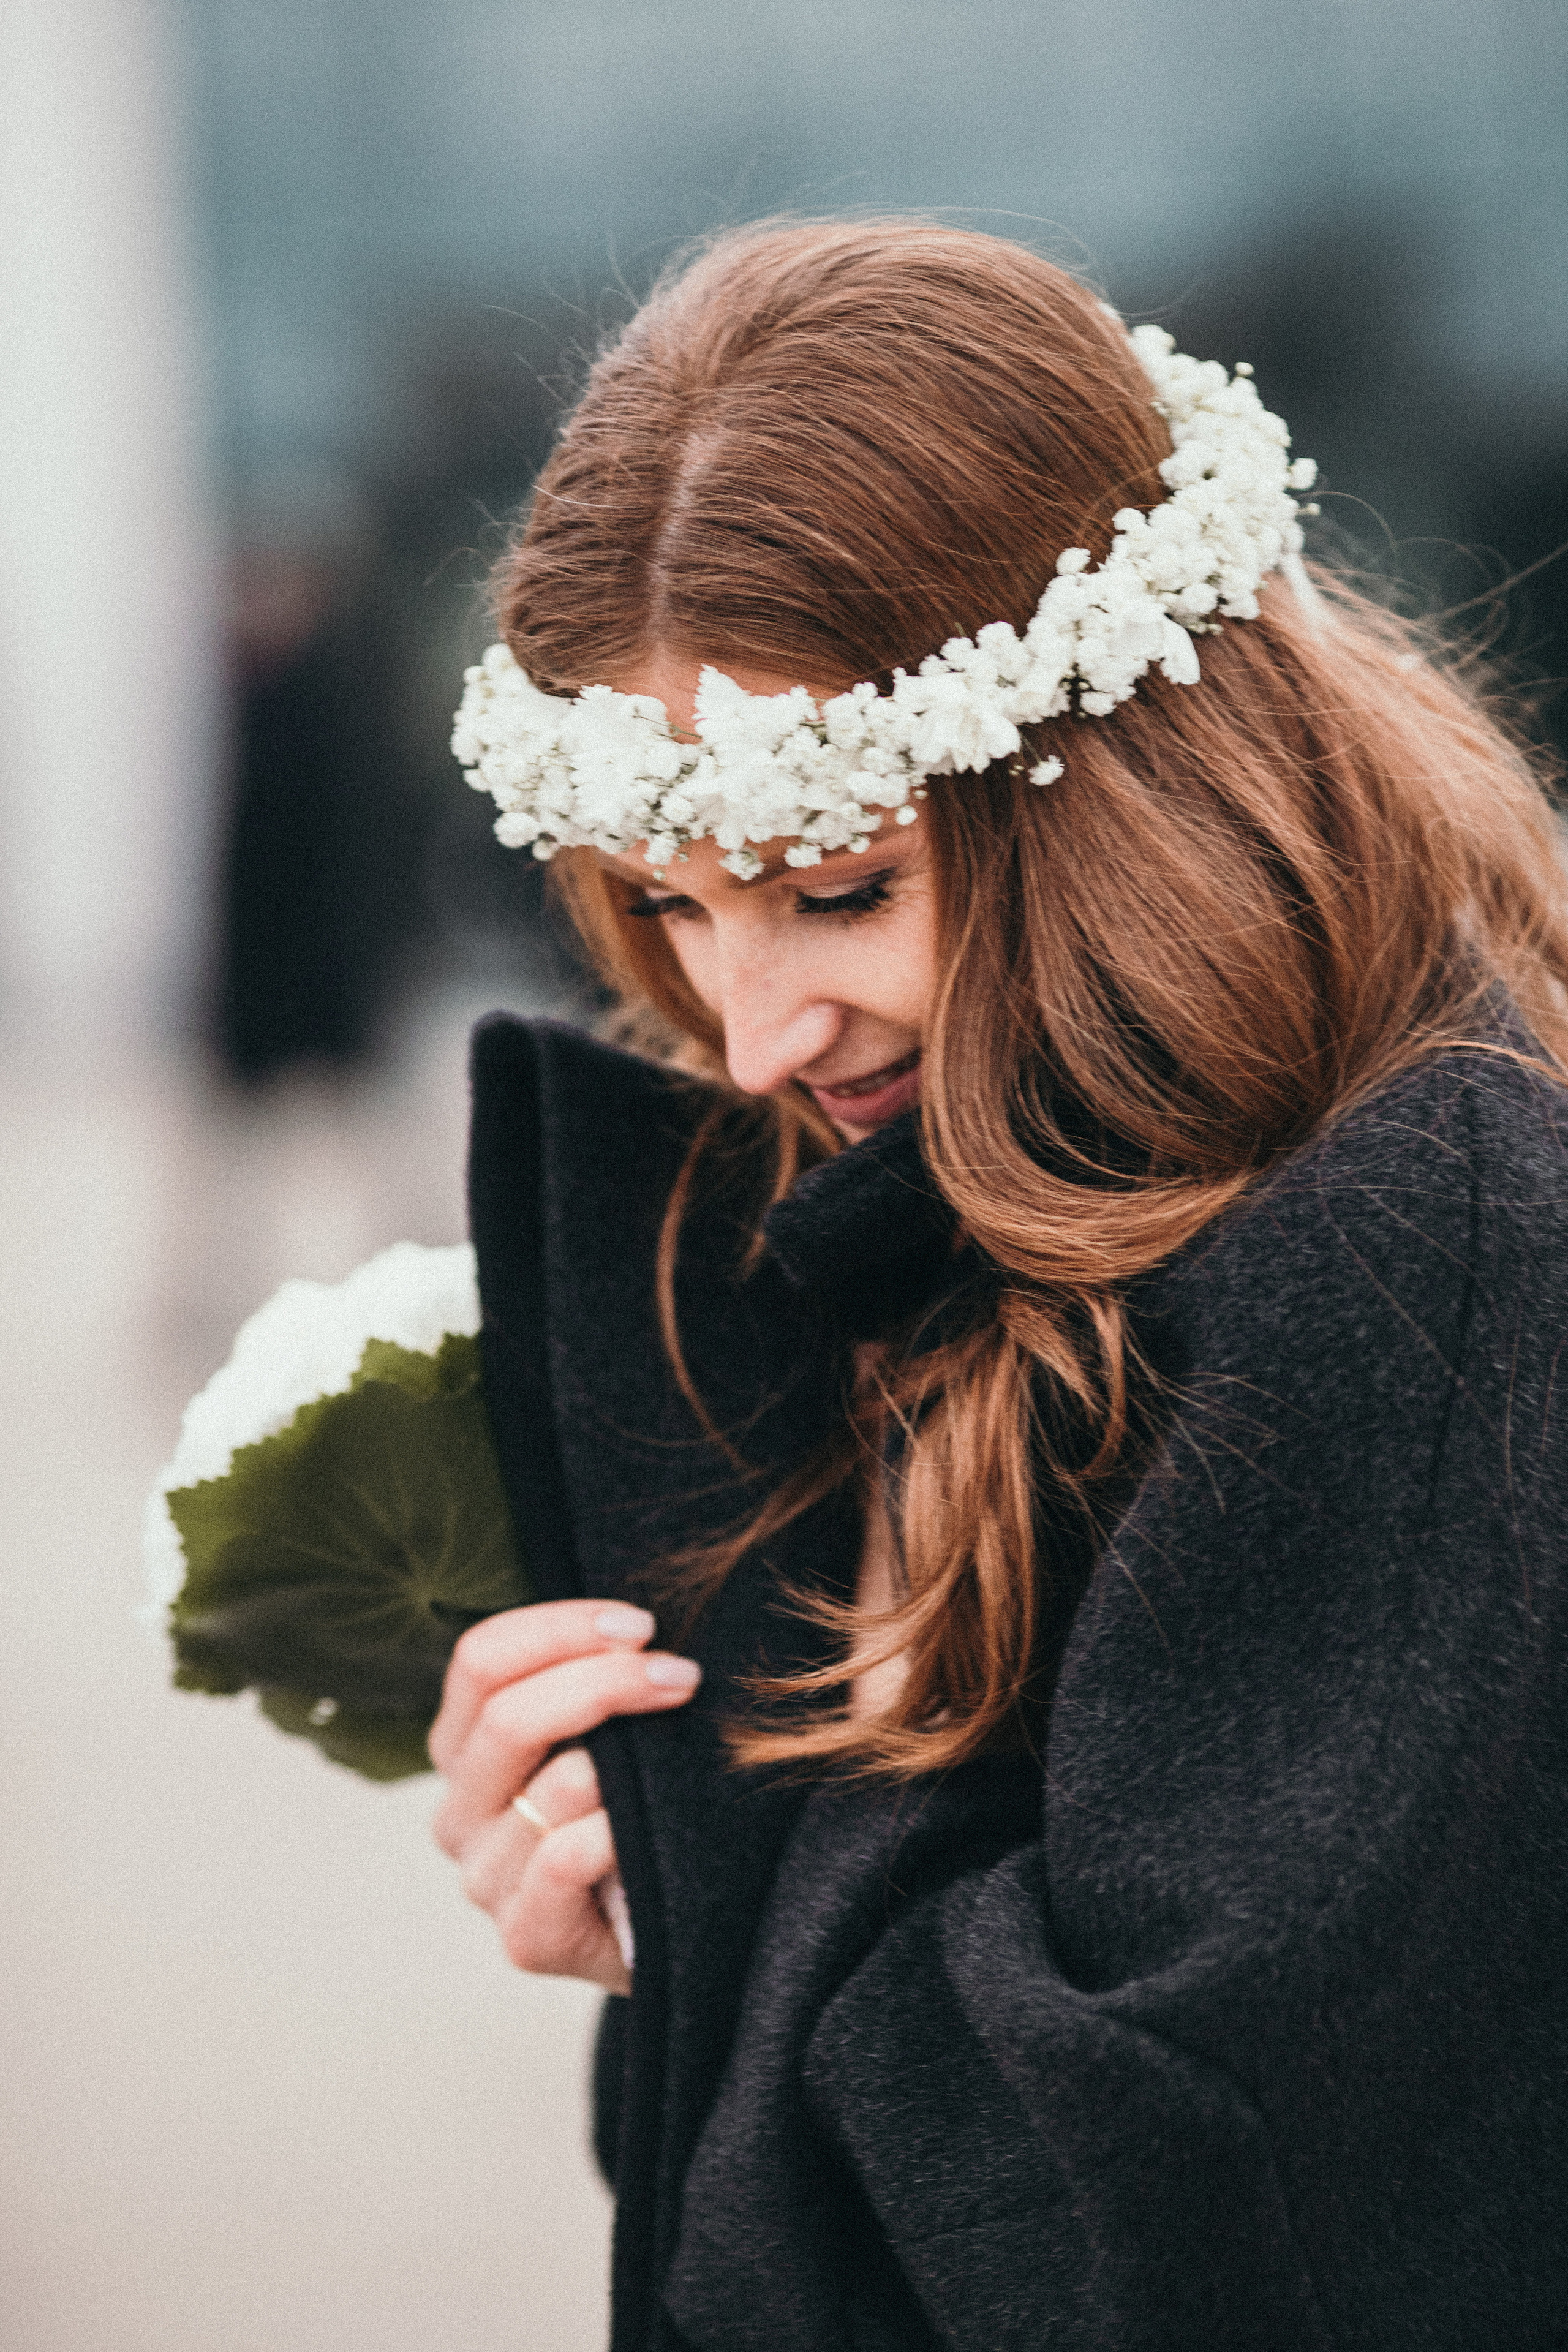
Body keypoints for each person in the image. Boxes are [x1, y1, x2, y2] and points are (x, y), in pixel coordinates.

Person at [428, 221, 1568, 2350]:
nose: (750, 1034)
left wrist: (731, 1868)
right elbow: (796, 2192)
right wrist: (638, 1903)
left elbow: (1154, 2210)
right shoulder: (909, 1198)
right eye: (668, 909)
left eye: (840, 887)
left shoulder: (1421, 1249)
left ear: (1124, 778)